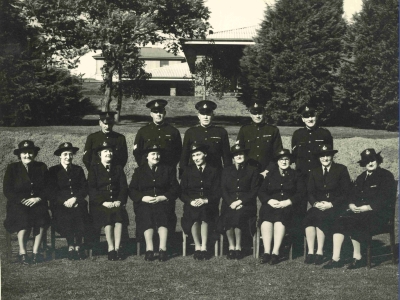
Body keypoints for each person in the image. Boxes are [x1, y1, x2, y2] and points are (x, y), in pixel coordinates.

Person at [323, 149, 396, 269]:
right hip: (361, 213)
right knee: (339, 220)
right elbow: (353, 195)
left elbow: (386, 199)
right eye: (367, 161)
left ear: (378, 160)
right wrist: (351, 204)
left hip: (380, 215)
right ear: (363, 164)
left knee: (355, 221)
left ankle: (358, 257)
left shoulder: (386, 176)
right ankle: (335, 258)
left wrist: (367, 207)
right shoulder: (361, 177)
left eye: (372, 160)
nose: (370, 163)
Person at [133, 99, 182, 239]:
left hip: (167, 176)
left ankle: (168, 240)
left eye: (160, 112)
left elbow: (178, 152)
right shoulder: (143, 131)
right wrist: (145, 169)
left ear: (164, 113)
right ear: (151, 114)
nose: (158, 114)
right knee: (145, 210)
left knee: (168, 210)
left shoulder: (173, 131)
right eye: (155, 112)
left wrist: (169, 169)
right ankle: (144, 240)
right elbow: (137, 152)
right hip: (148, 174)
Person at [129, 144, 180, 262]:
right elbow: (132, 189)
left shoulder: (168, 169)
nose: (156, 156)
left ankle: (163, 249)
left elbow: (175, 188)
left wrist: (163, 197)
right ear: (147, 156)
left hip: (162, 201)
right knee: (146, 215)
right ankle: (149, 249)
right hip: (145, 203)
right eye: (153, 154)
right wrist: (143, 198)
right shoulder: (139, 171)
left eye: (158, 154)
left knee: (163, 214)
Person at [3, 140, 50, 265]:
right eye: (24, 153)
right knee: (22, 217)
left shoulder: (41, 167)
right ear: (19, 155)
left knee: (42, 217)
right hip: (18, 204)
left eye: (30, 153)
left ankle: (35, 253)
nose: (27, 155)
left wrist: (38, 198)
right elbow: (7, 190)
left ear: (34, 154)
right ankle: (22, 252)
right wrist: (21, 200)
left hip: (37, 202)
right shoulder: (12, 168)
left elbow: (48, 188)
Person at [303, 144, 351, 265]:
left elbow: (346, 193)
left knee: (320, 217)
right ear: (319, 158)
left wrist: (331, 204)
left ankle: (319, 252)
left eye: (327, 156)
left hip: (335, 206)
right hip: (319, 205)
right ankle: (310, 252)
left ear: (332, 156)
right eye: (322, 156)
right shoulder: (314, 172)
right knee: (308, 218)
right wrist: (315, 203)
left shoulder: (341, 169)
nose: (325, 159)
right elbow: (310, 192)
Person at [258, 149, 306, 265]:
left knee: (280, 221)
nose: (284, 162)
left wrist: (289, 201)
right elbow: (261, 191)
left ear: (290, 161)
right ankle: (267, 252)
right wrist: (269, 200)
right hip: (271, 205)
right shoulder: (271, 175)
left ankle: (275, 252)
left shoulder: (296, 175)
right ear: (277, 161)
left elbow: (301, 193)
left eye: (286, 159)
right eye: (281, 159)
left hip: (288, 207)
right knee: (266, 221)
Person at [88, 141, 129, 261]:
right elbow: (91, 189)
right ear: (100, 154)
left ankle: (117, 249)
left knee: (119, 215)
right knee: (107, 215)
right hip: (100, 204)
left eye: (110, 151)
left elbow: (123, 187)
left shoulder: (118, 168)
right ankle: (110, 248)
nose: (108, 153)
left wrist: (120, 201)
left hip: (116, 202)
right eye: (105, 151)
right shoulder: (94, 169)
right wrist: (103, 202)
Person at [219, 143, 260, 260]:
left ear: (245, 155)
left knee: (238, 215)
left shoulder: (252, 170)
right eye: (236, 154)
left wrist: (240, 202)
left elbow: (254, 191)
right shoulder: (226, 170)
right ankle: (231, 247)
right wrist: (231, 202)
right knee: (227, 216)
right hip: (229, 203)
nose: (239, 156)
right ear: (233, 157)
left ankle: (238, 247)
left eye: (241, 154)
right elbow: (223, 189)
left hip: (246, 204)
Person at [48, 142, 88, 260]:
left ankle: (78, 245)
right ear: (60, 156)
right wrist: (64, 202)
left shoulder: (78, 169)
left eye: (70, 154)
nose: (68, 157)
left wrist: (75, 199)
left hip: (77, 202)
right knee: (65, 216)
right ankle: (71, 245)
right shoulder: (53, 171)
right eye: (65, 154)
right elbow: (51, 191)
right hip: (60, 205)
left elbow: (84, 188)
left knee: (80, 213)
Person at [180, 144, 221, 260]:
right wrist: (190, 201)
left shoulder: (213, 170)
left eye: (198, 154)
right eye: (193, 156)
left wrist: (206, 200)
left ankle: (204, 247)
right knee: (193, 214)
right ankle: (197, 247)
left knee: (204, 213)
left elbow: (218, 191)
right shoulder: (188, 171)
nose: (196, 158)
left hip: (208, 203)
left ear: (205, 155)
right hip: (192, 203)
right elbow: (181, 192)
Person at [180, 100, 231, 174]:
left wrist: (228, 175)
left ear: (212, 115)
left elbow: (226, 157)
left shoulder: (221, 132)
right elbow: (185, 156)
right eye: (203, 114)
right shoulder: (190, 132)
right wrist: (183, 174)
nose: (205, 117)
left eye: (208, 114)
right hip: (195, 173)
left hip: (216, 173)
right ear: (198, 116)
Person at [236, 102, 282, 176]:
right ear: (250, 115)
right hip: (248, 171)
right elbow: (239, 152)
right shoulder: (244, 130)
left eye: (260, 113)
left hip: (267, 171)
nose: (257, 116)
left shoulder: (273, 130)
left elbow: (277, 153)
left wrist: (268, 170)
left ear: (264, 113)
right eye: (254, 114)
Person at [291, 105, 333, 178]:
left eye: (312, 116)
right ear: (303, 119)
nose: (310, 119)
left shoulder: (324, 133)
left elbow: (329, 154)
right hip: (301, 175)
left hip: (319, 175)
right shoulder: (297, 134)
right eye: (306, 117)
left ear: (316, 117)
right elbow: (295, 155)